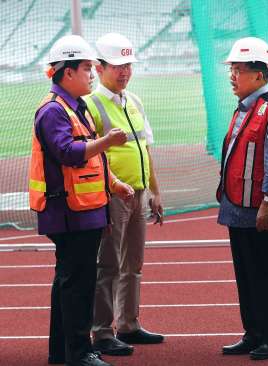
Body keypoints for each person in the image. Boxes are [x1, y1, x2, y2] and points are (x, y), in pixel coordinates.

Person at [30, 34, 134, 366]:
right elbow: (68, 153)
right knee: (77, 285)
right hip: (69, 213)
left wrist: (113, 184)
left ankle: (62, 352)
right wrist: (106, 142)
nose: (92, 74)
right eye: (87, 68)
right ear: (67, 72)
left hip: (84, 211)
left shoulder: (77, 107)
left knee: (70, 283)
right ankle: (79, 353)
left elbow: (92, 162)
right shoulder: (53, 111)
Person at [84, 32, 165, 356]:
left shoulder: (134, 101)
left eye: (128, 65)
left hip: (139, 192)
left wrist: (155, 192)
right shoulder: (90, 105)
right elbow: (89, 154)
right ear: (99, 67)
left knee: (134, 263)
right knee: (108, 265)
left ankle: (129, 325)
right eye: (117, 65)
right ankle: (102, 332)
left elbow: (145, 147)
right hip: (112, 196)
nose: (125, 72)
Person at [216, 37, 268, 360]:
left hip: (260, 208)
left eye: (238, 70)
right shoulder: (244, 108)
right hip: (237, 206)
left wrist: (267, 201)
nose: (232, 76)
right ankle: (254, 333)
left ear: (259, 75)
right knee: (246, 274)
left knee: (266, 274)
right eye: (232, 70)